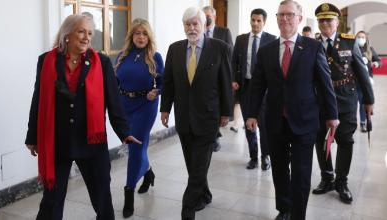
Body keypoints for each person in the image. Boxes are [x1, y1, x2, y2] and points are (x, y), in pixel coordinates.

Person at [25, 14, 140, 220]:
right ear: (67, 34)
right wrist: (32, 136)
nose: (87, 37)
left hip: (91, 141)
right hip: (57, 142)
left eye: (90, 33)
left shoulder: (102, 63)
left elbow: (114, 102)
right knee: (52, 200)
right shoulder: (46, 61)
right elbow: (38, 101)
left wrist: (124, 132)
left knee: (102, 198)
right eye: (81, 31)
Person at [245, 1, 339, 219]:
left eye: (289, 14)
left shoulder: (313, 47)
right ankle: (284, 209)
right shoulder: (266, 50)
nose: (285, 18)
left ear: (299, 18)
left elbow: (325, 84)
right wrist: (251, 113)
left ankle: (298, 214)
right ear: (276, 18)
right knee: (279, 170)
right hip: (275, 121)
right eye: (281, 14)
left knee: (301, 173)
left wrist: (333, 115)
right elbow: (258, 84)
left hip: (305, 121)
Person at [160, 7, 232, 220]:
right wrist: (165, 108)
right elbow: (169, 82)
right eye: (187, 24)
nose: (191, 28)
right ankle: (205, 194)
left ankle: (187, 209)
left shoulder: (220, 48)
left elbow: (225, 82)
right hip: (183, 117)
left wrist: (227, 112)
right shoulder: (175, 49)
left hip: (208, 117)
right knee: (193, 164)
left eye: (195, 24)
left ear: (204, 25)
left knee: (199, 166)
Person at [312, 3, 374, 205]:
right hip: (319, 101)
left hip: (345, 100)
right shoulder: (311, 44)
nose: (325, 24)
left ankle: (341, 182)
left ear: (337, 22)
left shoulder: (349, 42)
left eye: (329, 20)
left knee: (345, 141)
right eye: (321, 20)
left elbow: (362, 73)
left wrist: (368, 100)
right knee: (320, 140)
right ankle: (327, 177)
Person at [114, 18, 164, 218]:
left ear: (149, 36)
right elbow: (115, 81)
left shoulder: (155, 57)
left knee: (135, 147)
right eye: (137, 33)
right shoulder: (122, 56)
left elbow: (165, 81)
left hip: (146, 106)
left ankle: (128, 193)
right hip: (124, 106)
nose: (141, 37)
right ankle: (148, 172)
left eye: (144, 33)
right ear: (131, 36)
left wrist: (157, 91)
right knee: (136, 146)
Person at [231, 8, 276, 170]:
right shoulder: (241, 39)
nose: (255, 23)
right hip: (246, 87)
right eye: (253, 20)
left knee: (263, 124)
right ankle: (253, 157)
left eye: (259, 21)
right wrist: (234, 80)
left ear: (264, 22)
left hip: (264, 89)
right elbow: (234, 62)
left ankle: (265, 156)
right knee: (249, 122)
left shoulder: (271, 40)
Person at [202, 5, 234, 152]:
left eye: (209, 16)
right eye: (204, 16)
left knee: (217, 106)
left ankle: (214, 135)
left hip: (219, 75)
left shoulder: (223, 31)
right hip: (203, 78)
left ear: (214, 17)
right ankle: (212, 135)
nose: (206, 18)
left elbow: (230, 53)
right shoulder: (199, 30)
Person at [355, 30, 381, 132]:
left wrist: (376, 64)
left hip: (365, 81)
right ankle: (350, 123)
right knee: (351, 104)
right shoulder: (352, 47)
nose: (360, 39)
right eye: (359, 37)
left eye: (363, 37)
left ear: (366, 39)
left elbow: (378, 60)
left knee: (363, 103)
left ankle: (363, 123)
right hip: (352, 80)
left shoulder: (369, 49)